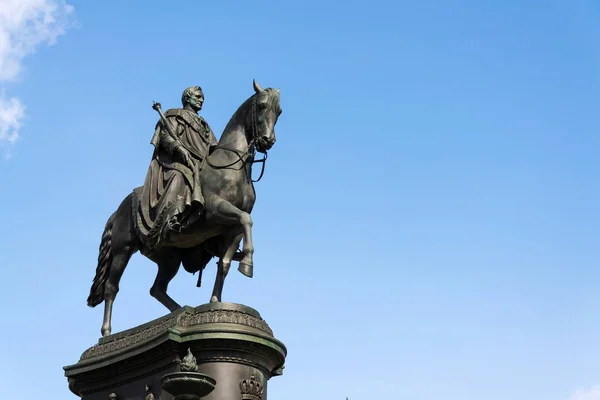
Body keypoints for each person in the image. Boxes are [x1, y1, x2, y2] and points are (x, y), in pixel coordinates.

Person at [135, 86, 218, 248]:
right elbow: (165, 137)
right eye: (198, 97)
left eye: (202, 98)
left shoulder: (205, 125)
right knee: (179, 176)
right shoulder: (175, 116)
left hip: (201, 165)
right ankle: (169, 218)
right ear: (187, 98)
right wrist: (179, 150)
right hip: (178, 162)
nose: (201, 100)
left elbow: (214, 147)